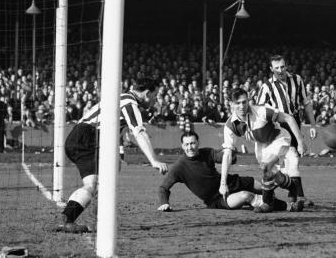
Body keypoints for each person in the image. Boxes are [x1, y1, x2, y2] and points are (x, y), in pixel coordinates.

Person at [56, 79, 169, 233]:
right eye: (155, 96)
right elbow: (139, 132)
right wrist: (153, 160)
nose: (156, 99)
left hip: (79, 136)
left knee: (105, 175)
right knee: (94, 183)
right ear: (147, 93)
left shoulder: (120, 98)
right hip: (88, 137)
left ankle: (90, 218)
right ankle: (73, 219)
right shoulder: (129, 103)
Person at [220, 87, 306, 213]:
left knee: (267, 166)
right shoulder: (230, 126)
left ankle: (267, 203)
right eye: (237, 103)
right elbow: (227, 154)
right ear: (231, 104)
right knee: (272, 174)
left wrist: (300, 142)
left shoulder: (262, 111)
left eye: (244, 102)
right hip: (261, 145)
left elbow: (288, 118)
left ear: (248, 100)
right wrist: (223, 183)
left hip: (279, 138)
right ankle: (292, 187)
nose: (242, 106)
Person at [157, 130, 284, 211]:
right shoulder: (179, 167)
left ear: (198, 143)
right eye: (187, 144)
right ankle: (281, 206)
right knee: (246, 195)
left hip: (231, 182)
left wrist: (230, 153)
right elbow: (163, 188)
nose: (190, 147)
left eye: (193, 143)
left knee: (262, 186)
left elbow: (224, 157)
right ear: (182, 146)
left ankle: (289, 191)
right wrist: (164, 203)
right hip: (217, 199)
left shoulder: (207, 152)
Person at [255, 54, 317, 209]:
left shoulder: (297, 80)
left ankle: (295, 196)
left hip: (295, 122)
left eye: (282, 66)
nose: (280, 70)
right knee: (285, 159)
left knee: (292, 157)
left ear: (286, 66)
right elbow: (259, 111)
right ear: (271, 69)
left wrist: (313, 125)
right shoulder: (266, 87)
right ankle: (291, 197)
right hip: (278, 127)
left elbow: (306, 103)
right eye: (276, 68)